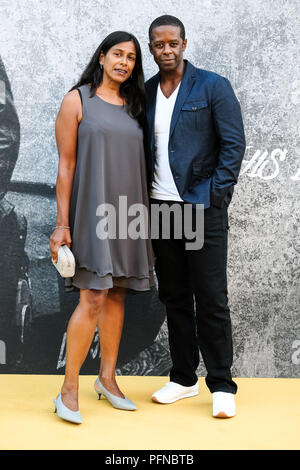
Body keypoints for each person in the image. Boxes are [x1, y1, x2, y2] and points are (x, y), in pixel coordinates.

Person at [49, 31, 154, 424]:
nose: (124, 62)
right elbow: (66, 165)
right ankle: (69, 388)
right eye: (118, 54)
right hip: (90, 213)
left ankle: (107, 379)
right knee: (92, 297)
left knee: (117, 296)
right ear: (102, 56)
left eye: (131, 57)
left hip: (130, 214)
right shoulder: (77, 99)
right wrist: (62, 224)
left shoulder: (135, 106)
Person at [145, 15, 246, 418]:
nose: (166, 50)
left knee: (210, 297)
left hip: (200, 208)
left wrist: (215, 197)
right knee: (174, 296)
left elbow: (233, 144)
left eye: (173, 43)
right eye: (158, 45)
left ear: (184, 44)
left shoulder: (212, 86)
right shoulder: (147, 90)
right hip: (161, 209)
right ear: (150, 47)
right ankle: (184, 378)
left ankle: (221, 383)